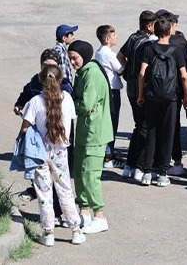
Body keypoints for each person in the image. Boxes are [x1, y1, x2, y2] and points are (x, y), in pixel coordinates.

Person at [19, 66, 86, 246]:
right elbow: (71, 119)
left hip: (40, 153)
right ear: (60, 80)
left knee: (44, 192)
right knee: (64, 189)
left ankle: (48, 233)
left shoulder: (35, 101)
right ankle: (76, 230)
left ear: (41, 80)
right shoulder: (68, 99)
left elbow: (25, 128)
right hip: (61, 152)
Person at [14, 48, 75, 204]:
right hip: (39, 138)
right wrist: (19, 104)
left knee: (59, 181)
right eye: (45, 64)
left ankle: (58, 212)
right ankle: (37, 192)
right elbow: (26, 93)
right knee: (41, 174)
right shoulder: (35, 81)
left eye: (52, 65)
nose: (48, 69)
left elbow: (71, 113)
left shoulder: (65, 87)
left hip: (59, 137)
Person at [136, 18, 187, 187]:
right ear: (169, 32)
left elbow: (142, 73)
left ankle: (146, 172)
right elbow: (183, 76)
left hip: (152, 96)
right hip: (171, 98)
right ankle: (162, 173)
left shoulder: (148, 49)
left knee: (150, 132)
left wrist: (141, 94)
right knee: (168, 134)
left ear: (155, 31)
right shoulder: (176, 51)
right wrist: (186, 96)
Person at [68, 40, 112, 234]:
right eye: (70, 58)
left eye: (75, 58)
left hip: (95, 133)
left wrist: (69, 103)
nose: (72, 62)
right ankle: (84, 212)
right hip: (85, 132)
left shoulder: (92, 74)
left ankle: (100, 216)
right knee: (79, 173)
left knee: (90, 175)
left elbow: (85, 105)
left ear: (84, 56)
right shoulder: (83, 72)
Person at [118, 11, 157, 180]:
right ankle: (139, 167)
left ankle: (129, 165)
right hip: (141, 88)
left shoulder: (133, 38)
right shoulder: (148, 43)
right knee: (145, 128)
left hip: (131, 86)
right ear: (149, 26)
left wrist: (127, 71)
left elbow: (120, 56)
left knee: (138, 125)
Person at [156, 9, 187, 177]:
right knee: (173, 126)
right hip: (175, 91)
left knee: (155, 126)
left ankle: (157, 160)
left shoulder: (152, 43)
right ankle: (176, 161)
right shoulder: (180, 42)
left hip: (155, 91)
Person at [95, 25, 125, 169]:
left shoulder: (99, 52)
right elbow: (120, 70)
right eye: (114, 35)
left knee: (107, 122)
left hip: (105, 90)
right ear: (107, 39)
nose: (116, 37)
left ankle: (106, 153)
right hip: (112, 91)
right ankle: (109, 156)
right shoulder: (109, 54)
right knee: (112, 122)